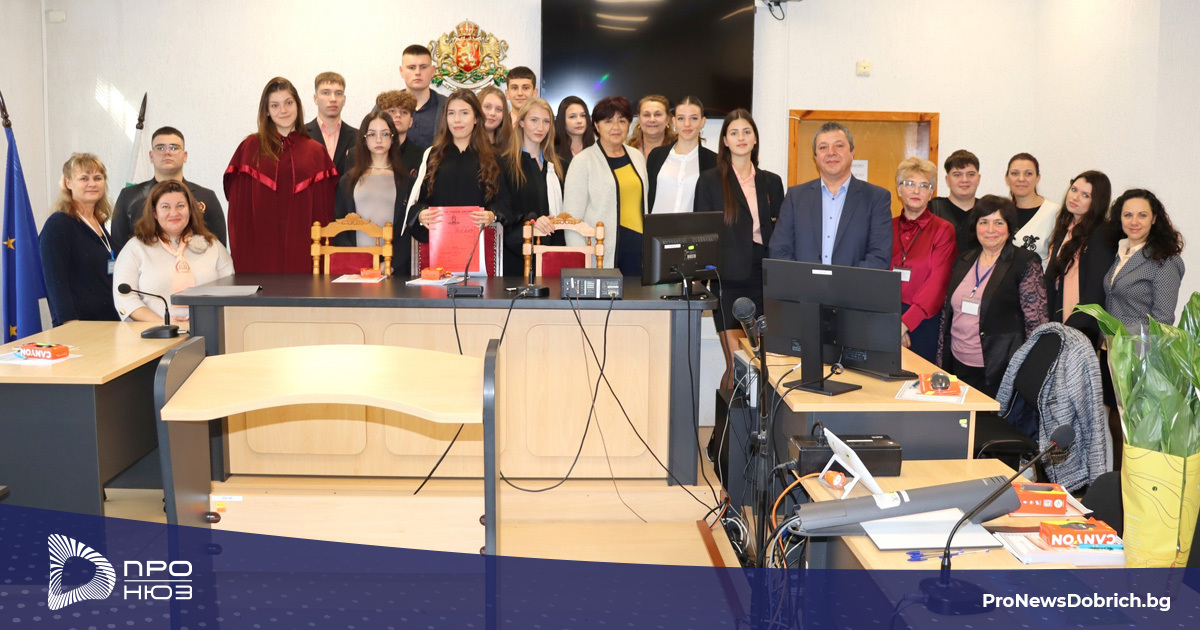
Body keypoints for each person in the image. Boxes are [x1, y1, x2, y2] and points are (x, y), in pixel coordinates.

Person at [693, 109, 783, 389]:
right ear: (725, 141)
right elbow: (703, 234)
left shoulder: (772, 181)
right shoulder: (709, 180)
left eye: (746, 132)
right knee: (737, 367)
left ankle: (760, 420)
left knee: (765, 366)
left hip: (766, 279)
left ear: (755, 139)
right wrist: (702, 279)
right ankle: (727, 420)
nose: (741, 138)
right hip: (729, 280)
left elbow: (781, 232)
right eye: (734, 133)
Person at [937, 195, 1048, 397]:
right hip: (957, 362)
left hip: (997, 368)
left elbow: (1036, 322)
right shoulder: (964, 260)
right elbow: (947, 315)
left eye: (998, 223)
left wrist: (1030, 370)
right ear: (975, 226)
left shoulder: (1024, 262)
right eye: (984, 222)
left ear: (1009, 227)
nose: (990, 230)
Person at [224, 76, 337, 274]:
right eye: (275, 105)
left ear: (298, 105)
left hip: (304, 255)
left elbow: (325, 213)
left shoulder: (315, 152)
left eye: (288, 103)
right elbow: (238, 214)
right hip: (259, 255)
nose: (283, 110)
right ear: (266, 111)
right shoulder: (250, 149)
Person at [406, 89, 511, 265]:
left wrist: (492, 215)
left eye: (464, 113)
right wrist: (422, 214)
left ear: (476, 118)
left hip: (480, 250)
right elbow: (418, 201)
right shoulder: (432, 156)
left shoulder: (493, 158)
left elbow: (505, 203)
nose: (457, 120)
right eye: (451, 113)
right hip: (440, 250)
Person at [769, 122, 892, 269]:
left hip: (854, 284)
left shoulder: (876, 198)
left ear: (852, 151)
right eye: (823, 147)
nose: (831, 152)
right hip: (802, 284)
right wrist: (805, 280)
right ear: (815, 156)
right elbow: (779, 251)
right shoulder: (795, 197)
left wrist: (840, 282)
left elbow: (879, 257)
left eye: (839, 146)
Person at [112, 180, 234, 323]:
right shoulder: (135, 248)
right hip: (154, 332)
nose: (174, 213)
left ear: (190, 210)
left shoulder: (213, 246)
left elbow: (230, 293)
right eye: (165, 207)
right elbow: (124, 297)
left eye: (180, 206)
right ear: (154, 213)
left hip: (208, 328)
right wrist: (162, 323)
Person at [562, 96, 649, 276]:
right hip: (601, 257)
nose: (616, 127)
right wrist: (584, 263)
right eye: (608, 121)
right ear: (596, 125)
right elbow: (571, 222)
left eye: (622, 121)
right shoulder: (583, 161)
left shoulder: (637, 156)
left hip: (638, 253)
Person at [110, 126, 226, 255]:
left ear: (185, 156)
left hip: (195, 267)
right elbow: (119, 249)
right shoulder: (129, 196)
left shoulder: (207, 196)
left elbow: (219, 249)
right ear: (151, 156)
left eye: (174, 147)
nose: (167, 152)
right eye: (160, 148)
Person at [39, 153, 120, 326]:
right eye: (84, 178)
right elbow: (55, 282)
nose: (92, 184)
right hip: (79, 327)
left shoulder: (100, 224)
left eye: (97, 178)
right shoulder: (58, 224)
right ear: (68, 183)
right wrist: (71, 325)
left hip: (110, 323)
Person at [890, 157, 958, 363]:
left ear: (931, 193)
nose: (916, 191)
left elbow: (937, 284)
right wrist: (891, 322)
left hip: (923, 319)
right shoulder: (886, 226)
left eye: (924, 185)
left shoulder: (943, 230)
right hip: (886, 316)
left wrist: (904, 325)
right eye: (909, 183)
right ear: (899, 189)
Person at [332, 110, 416, 277]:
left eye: (385, 134)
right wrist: (357, 262)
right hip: (356, 271)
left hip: (393, 269)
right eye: (372, 134)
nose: (379, 140)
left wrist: (391, 264)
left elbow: (408, 231)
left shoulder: (406, 182)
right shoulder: (348, 181)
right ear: (364, 139)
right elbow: (339, 228)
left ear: (392, 138)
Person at [1043, 171, 1116, 344]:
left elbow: (1095, 291)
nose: (1075, 197)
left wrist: (1070, 329)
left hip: (1081, 327)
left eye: (1085, 195)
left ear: (1097, 201)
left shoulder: (1100, 234)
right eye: (1074, 189)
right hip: (1058, 319)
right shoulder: (1066, 228)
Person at [1102, 189, 1186, 331]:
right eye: (1128, 215)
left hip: (1137, 344)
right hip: (1109, 341)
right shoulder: (1119, 253)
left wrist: (1127, 341)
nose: (1134, 222)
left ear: (1153, 219)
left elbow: (1163, 322)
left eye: (1142, 215)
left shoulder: (1165, 260)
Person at [503, 98, 566, 276]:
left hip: (554, 255)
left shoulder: (558, 167)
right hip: (518, 258)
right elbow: (504, 212)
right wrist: (532, 221)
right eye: (534, 120)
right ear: (521, 122)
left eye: (546, 122)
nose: (540, 128)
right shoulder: (505, 165)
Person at [646, 95, 716, 214]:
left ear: (702, 122)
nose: (687, 124)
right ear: (674, 121)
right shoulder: (656, 155)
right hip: (655, 226)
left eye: (693, 118)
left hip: (692, 226)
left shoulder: (713, 161)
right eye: (681, 118)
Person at [1005, 152, 1059, 265]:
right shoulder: (1001, 212)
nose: (1021, 179)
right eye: (1015, 173)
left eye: (1028, 174)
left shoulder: (1054, 213)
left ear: (1038, 178)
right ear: (1007, 178)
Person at [304, 71, 356, 185]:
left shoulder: (358, 137)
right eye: (326, 93)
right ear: (315, 98)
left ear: (344, 99)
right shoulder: (300, 135)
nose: (333, 99)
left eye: (338, 93)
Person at [928, 149, 980, 254]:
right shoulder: (932, 209)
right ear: (947, 180)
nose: (964, 180)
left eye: (970, 174)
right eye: (957, 174)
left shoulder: (988, 210)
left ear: (978, 178)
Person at [400, 44, 446, 148]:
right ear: (401, 71)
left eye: (423, 67)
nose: (417, 72)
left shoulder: (448, 107)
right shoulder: (387, 107)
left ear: (433, 71)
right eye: (411, 68)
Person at [375, 90, 424, 179]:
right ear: (381, 118)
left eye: (404, 112)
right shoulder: (361, 153)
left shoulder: (423, 157)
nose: (398, 115)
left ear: (411, 122)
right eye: (392, 111)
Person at [627, 95, 675, 161]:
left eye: (658, 115)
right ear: (639, 119)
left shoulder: (678, 148)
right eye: (646, 115)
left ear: (667, 119)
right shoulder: (628, 150)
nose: (652, 120)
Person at [553, 95, 593, 171]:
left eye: (583, 115)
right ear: (562, 120)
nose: (579, 121)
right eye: (572, 117)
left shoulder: (596, 149)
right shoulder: (553, 153)